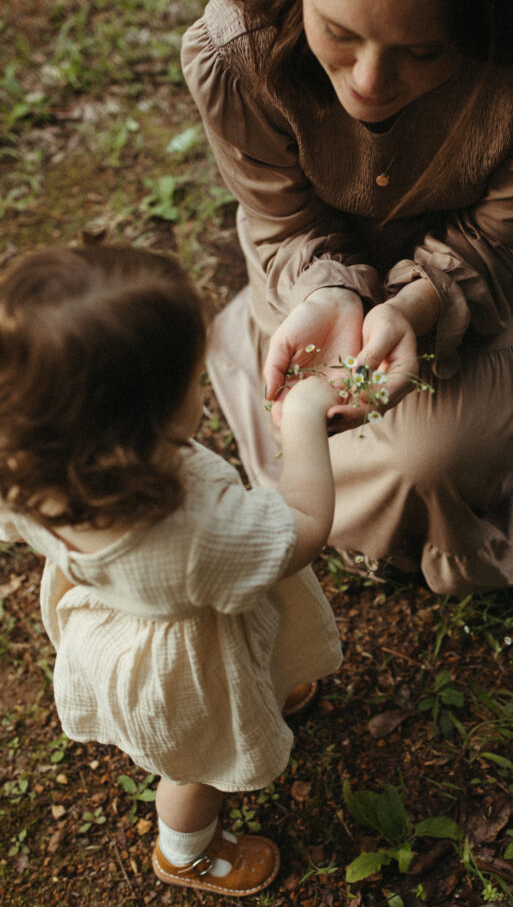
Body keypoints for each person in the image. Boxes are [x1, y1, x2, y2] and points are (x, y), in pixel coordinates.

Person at [181, 0, 513, 595]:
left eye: (423, 49)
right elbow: (286, 221)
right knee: (348, 437)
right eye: (338, 32)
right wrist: (327, 290)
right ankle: (263, 329)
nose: (369, 82)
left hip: (478, 269)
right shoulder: (236, 44)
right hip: (311, 265)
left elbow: (502, 243)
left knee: (430, 466)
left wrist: (416, 307)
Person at [0, 244, 341, 898]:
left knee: (250, 657)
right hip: (186, 672)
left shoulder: (25, 461)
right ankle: (187, 849)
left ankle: (265, 682)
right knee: (197, 767)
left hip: (112, 620)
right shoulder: (191, 528)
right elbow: (303, 529)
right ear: (138, 424)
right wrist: (301, 419)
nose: (202, 389)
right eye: (192, 380)